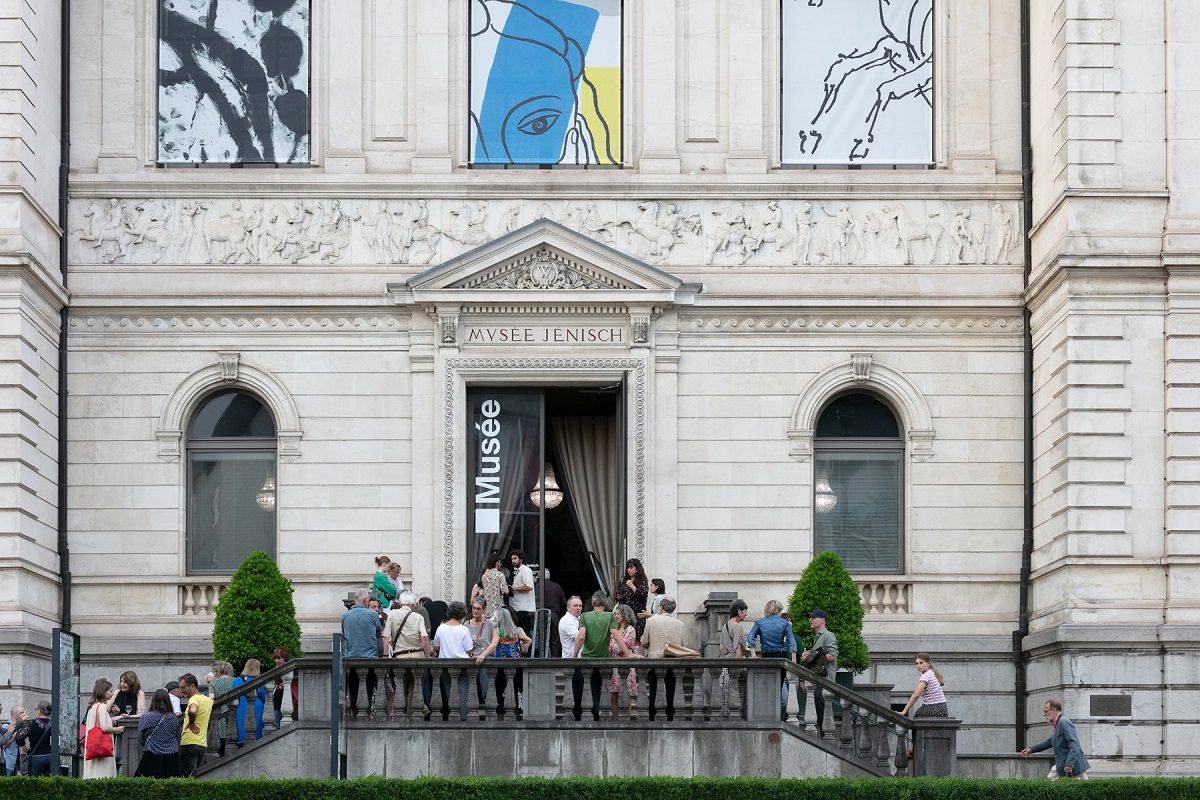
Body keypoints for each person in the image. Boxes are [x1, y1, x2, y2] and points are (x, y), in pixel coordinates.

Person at [748, 600, 799, 723]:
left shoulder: (760, 622)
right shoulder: (784, 623)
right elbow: (791, 642)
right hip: (781, 655)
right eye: (780, 610)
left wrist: (753, 654)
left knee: (767, 686)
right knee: (779, 686)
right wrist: (793, 660)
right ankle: (776, 715)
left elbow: (751, 638)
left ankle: (768, 713)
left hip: (766, 655)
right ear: (778, 610)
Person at [384, 590, 431, 721]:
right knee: (414, 689)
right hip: (418, 657)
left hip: (400, 657)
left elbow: (386, 636)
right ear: (413, 604)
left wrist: (384, 656)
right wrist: (427, 656)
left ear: (400, 603)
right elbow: (425, 637)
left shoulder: (392, 614)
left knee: (401, 689)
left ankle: (401, 717)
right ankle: (411, 717)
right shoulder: (418, 617)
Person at [640, 596, 687, 721]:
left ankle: (653, 717)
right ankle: (670, 716)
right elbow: (684, 645)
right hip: (673, 661)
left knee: (654, 691)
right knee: (671, 690)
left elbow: (644, 642)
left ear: (660, 608)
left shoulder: (651, 621)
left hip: (655, 660)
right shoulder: (680, 624)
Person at [1021, 698, 1092, 779]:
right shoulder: (1058, 724)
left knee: (1084, 789)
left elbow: (1074, 744)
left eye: (1046, 711)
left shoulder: (1063, 722)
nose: (1044, 714)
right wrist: (1031, 749)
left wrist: (1069, 764)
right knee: (1048, 786)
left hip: (1073, 767)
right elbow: (1050, 742)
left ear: (1054, 710)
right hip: (1062, 766)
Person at [573, 591, 616, 721]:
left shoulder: (585, 616)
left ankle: (593, 715)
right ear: (605, 604)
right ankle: (597, 714)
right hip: (603, 659)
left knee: (589, 688)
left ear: (592, 603)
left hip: (587, 658)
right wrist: (629, 654)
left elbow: (581, 637)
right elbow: (616, 635)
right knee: (598, 689)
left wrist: (574, 655)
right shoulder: (610, 616)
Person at [341, 587, 382, 720]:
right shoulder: (373, 615)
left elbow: (343, 635)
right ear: (365, 600)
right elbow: (378, 632)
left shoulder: (345, 616)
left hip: (350, 658)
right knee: (369, 690)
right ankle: (366, 714)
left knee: (353, 690)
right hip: (369, 658)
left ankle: (354, 714)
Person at [432, 600, 474, 721]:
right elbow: (469, 650)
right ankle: (463, 716)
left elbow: (436, 647)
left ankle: (452, 715)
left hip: (445, 664)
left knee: (449, 690)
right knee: (463, 691)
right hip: (462, 664)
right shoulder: (463, 629)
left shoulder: (441, 628)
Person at [799, 609, 838, 734]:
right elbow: (818, 659)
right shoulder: (817, 638)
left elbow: (832, 656)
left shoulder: (828, 635)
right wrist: (808, 657)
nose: (810, 620)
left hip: (825, 682)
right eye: (810, 617)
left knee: (823, 719)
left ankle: (827, 743)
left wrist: (811, 657)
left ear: (823, 620)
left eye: (814, 617)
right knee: (819, 717)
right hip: (818, 682)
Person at [489, 607, 532, 719]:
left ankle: (502, 706)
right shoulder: (517, 630)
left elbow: (493, 645)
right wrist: (522, 649)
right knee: (517, 686)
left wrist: (483, 654)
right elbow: (528, 640)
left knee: (501, 685)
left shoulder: (498, 631)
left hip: (501, 664)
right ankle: (519, 708)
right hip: (516, 664)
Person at [133, 689, 183, 778]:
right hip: (171, 755)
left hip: (151, 754)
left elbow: (140, 737)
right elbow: (178, 736)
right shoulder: (173, 718)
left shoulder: (146, 717)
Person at [81, 680, 122, 778]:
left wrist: (111, 720)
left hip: (93, 746)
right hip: (102, 746)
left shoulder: (93, 706)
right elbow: (104, 727)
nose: (113, 693)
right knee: (104, 772)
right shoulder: (103, 706)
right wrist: (118, 729)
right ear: (103, 692)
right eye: (110, 691)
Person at [608, 603, 641, 720]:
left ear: (624, 615)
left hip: (625, 665)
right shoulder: (615, 629)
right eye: (615, 614)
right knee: (613, 695)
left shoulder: (630, 629)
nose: (615, 616)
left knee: (625, 695)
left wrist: (616, 646)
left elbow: (616, 648)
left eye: (618, 614)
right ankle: (615, 720)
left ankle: (626, 720)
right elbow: (611, 647)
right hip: (614, 666)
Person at [465, 597, 495, 720]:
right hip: (471, 658)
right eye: (474, 608)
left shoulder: (489, 623)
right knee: (470, 688)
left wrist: (483, 655)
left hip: (485, 659)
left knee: (485, 687)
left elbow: (494, 644)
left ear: (483, 610)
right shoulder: (466, 624)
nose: (475, 611)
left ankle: (489, 714)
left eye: (478, 609)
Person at [719, 598, 749, 717]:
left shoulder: (724, 626)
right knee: (738, 695)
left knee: (726, 696)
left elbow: (721, 648)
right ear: (739, 611)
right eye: (745, 611)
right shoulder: (737, 627)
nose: (746, 614)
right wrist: (738, 665)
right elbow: (738, 648)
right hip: (735, 666)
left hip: (724, 665)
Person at [178, 673, 212, 777]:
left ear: (192, 686)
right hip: (201, 744)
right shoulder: (208, 700)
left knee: (187, 777)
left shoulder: (194, 699)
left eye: (183, 687)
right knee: (193, 775)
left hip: (189, 743)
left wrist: (191, 723)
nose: (181, 690)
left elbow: (192, 711)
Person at [900, 653, 949, 719]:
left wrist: (904, 711)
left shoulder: (925, 676)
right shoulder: (932, 672)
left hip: (933, 708)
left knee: (916, 718)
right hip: (943, 708)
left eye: (921, 663)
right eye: (916, 663)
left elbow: (916, 695)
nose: (919, 666)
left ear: (928, 663)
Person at [559, 595, 585, 720]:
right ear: (568, 607)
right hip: (572, 661)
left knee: (580, 692)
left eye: (580, 606)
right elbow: (579, 637)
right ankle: (575, 718)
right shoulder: (567, 621)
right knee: (575, 692)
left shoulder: (578, 619)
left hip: (579, 660)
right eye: (575, 606)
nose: (578, 608)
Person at [233, 658, 267, 747]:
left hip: (240, 707)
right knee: (256, 731)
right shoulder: (258, 681)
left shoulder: (236, 681)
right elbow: (264, 696)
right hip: (257, 708)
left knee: (241, 728)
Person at [615, 558, 650, 640]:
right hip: (625, 614)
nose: (629, 570)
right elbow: (621, 593)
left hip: (637, 615)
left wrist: (632, 586)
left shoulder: (642, 580)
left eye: (631, 568)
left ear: (637, 569)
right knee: (624, 638)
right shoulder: (624, 580)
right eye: (627, 568)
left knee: (636, 639)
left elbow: (643, 595)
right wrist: (618, 597)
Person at [206, 661, 234, 757]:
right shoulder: (235, 680)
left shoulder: (214, 682)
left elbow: (211, 699)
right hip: (233, 712)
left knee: (221, 738)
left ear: (217, 671)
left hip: (220, 714)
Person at [19, 701, 53, 777]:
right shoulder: (55, 723)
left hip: (36, 757)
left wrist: (24, 747)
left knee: (35, 784)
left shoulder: (32, 723)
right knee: (52, 784)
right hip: (52, 757)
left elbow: (19, 736)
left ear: (39, 710)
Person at [271, 647, 299, 732]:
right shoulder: (274, 671)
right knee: (278, 727)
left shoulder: (293, 670)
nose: (277, 661)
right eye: (275, 658)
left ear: (285, 658)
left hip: (290, 704)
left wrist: (287, 685)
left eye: (279, 658)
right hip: (277, 702)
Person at [508, 549, 536, 635]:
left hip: (523, 608)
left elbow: (529, 587)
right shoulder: (519, 571)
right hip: (518, 607)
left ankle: (528, 648)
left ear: (521, 559)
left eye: (515, 558)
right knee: (520, 632)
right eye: (512, 559)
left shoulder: (526, 570)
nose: (513, 561)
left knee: (525, 632)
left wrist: (512, 588)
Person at [481, 551, 509, 619]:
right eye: (499, 562)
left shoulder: (484, 576)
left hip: (486, 610)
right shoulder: (500, 575)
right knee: (499, 629)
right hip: (497, 610)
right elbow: (505, 591)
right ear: (497, 562)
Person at [0, 705, 24, 777]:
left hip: (14, 762)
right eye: (21, 713)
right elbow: (2, 743)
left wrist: (21, 722)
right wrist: (11, 734)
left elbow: (12, 730)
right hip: (7, 762)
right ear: (14, 714)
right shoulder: (6, 725)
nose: (1, 711)